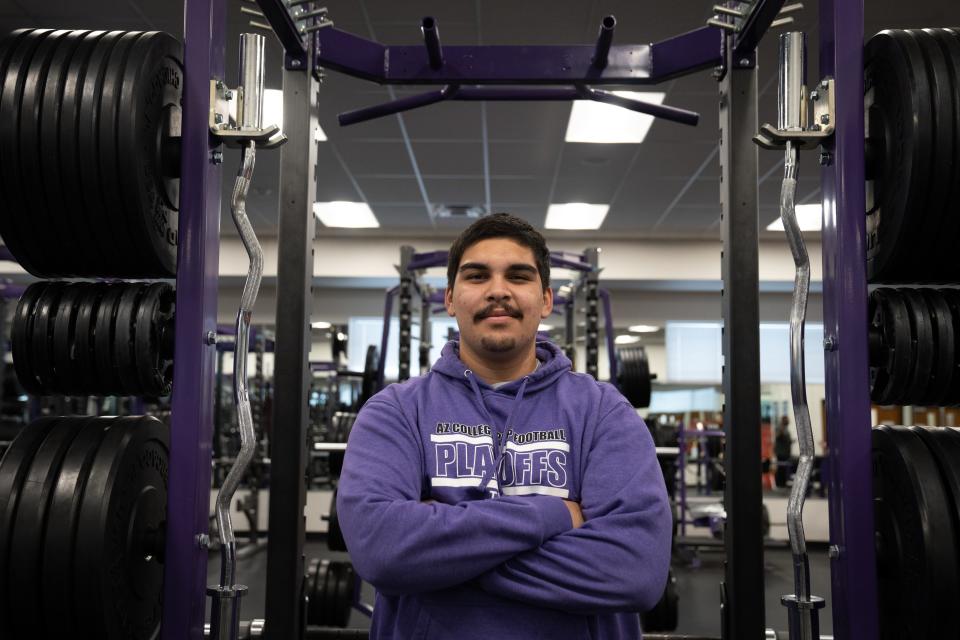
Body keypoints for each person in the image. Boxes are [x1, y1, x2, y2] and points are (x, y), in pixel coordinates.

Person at [337, 213, 672, 639]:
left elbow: (634, 570)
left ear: (546, 299)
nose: (498, 291)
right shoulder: (395, 411)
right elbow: (383, 551)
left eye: (518, 276)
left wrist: (439, 554)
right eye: (477, 276)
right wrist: (553, 514)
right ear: (451, 299)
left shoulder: (604, 411)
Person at [774, 415, 793, 488]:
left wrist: (790, 441)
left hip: (786, 452)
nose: (788, 421)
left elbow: (786, 439)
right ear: (783, 420)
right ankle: (779, 483)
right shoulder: (779, 427)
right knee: (781, 467)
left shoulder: (786, 428)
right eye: (787, 420)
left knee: (784, 468)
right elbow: (778, 436)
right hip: (781, 452)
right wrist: (781, 432)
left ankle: (783, 483)